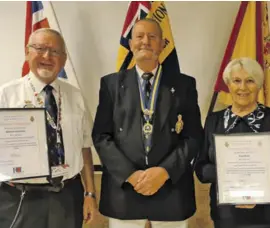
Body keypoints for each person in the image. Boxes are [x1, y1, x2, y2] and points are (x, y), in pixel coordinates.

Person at [92, 18, 203, 228]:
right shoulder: (111, 84)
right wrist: (130, 175)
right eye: (139, 36)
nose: (146, 42)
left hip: (171, 191)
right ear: (131, 44)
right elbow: (101, 136)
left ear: (163, 44)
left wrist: (164, 172)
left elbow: (194, 135)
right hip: (125, 191)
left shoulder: (184, 84)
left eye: (153, 37)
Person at [0, 28, 98, 228]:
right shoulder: (6, 95)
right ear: (27, 52)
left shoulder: (75, 96)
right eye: (40, 48)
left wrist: (90, 194)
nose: (47, 56)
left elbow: (85, 147)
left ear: (63, 59)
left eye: (55, 51)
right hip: (20, 197)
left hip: (67, 197)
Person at [195, 57, 270, 228]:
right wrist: (230, 173)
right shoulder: (214, 121)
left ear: (258, 85)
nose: (242, 87)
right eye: (237, 81)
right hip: (225, 216)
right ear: (228, 84)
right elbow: (201, 169)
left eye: (250, 81)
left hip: (265, 216)